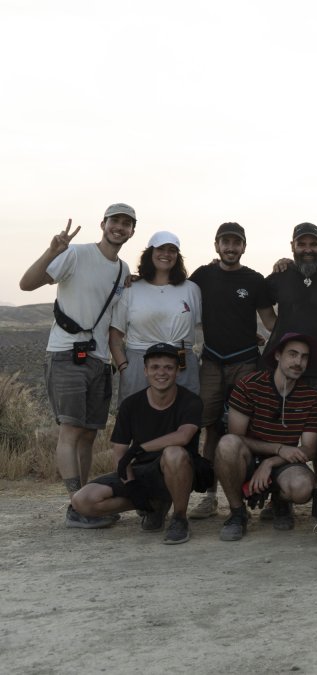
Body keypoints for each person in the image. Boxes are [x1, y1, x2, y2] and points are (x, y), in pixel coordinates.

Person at [20, 204, 134, 498]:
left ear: (132, 231)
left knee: (88, 434)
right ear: (103, 224)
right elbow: (27, 284)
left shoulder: (123, 270)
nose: (119, 227)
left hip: (98, 360)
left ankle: (83, 500)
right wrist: (52, 251)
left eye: (126, 223)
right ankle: (76, 502)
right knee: (70, 431)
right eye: (114, 221)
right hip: (66, 353)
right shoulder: (76, 254)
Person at [67, 342, 207, 544]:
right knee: (82, 500)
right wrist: (131, 484)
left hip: (179, 470)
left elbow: (183, 436)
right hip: (141, 470)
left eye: (168, 367)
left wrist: (140, 448)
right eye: (155, 367)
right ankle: (153, 504)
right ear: (145, 371)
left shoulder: (191, 401)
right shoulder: (131, 404)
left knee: (173, 453)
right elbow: (120, 452)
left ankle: (179, 518)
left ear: (177, 371)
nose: (161, 373)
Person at [187, 222, 277, 519]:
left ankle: (257, 492)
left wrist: (289, 342)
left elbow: (269, 321)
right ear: (216, 245)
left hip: (245, 362)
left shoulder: (254, 280)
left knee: (251, 428)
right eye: (225, 242)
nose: (230, 247)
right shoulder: (202, 275)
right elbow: (178, 294)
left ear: (243, 247)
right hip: (212, 360)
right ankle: (211, 497)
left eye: (235, 242)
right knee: (211, 427)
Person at [214, 333, 317, 541]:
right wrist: (278, 449)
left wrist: (271, 462)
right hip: (249, 458)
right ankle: (237, 512)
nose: (298, 362)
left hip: (282, 463)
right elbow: (236, 438)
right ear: (277, 355)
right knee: (227, 445)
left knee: (303, 487)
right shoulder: (248, 385)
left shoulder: (310, 396)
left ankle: (281, 501)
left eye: (304, 357)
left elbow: (309, 448)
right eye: (292, 354)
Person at [265, 223, 317, 461]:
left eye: (313, 244)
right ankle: (282, 497)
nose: (308, 249)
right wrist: (272, 328)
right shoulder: (280, 276)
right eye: (302, 244)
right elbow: (258, 301)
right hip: (286, 374)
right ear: (292, 246)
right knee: (283, 435)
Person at [109, 231, 203, 405]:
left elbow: (208, 328)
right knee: (137, 421)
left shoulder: (191, 289)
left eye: (172, 250)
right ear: (150, 253)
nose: (166, 254)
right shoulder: (131, 289)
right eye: (160, 249)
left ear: (178, 256)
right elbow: (115, 337)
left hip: (182, 363)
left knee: (184, 418)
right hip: (140, 365)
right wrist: (125, 369)